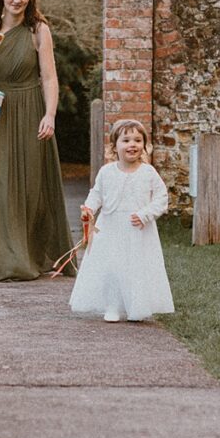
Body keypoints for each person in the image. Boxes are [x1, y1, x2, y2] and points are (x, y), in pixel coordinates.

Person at [0, 0, 74, 282]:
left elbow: (49, 77)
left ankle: (30, 255)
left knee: (31, 185)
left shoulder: (38, 30)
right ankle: (3, 259)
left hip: (31, 110)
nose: (17, 0)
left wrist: (50, 115)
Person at [69, 119, 174, 322]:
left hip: (138, 230)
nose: (132, 144)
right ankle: (112, 306)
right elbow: (96, 194)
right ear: (114, 146)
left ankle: (137, 307)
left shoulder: (148, 172)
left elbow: (162, 198)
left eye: (137, 140)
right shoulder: (106, 172)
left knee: (136, 268)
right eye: (126, 140)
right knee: (112, 268)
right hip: (110, 229)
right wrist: (89, 209)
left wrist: (145, 214)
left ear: (144, 145)